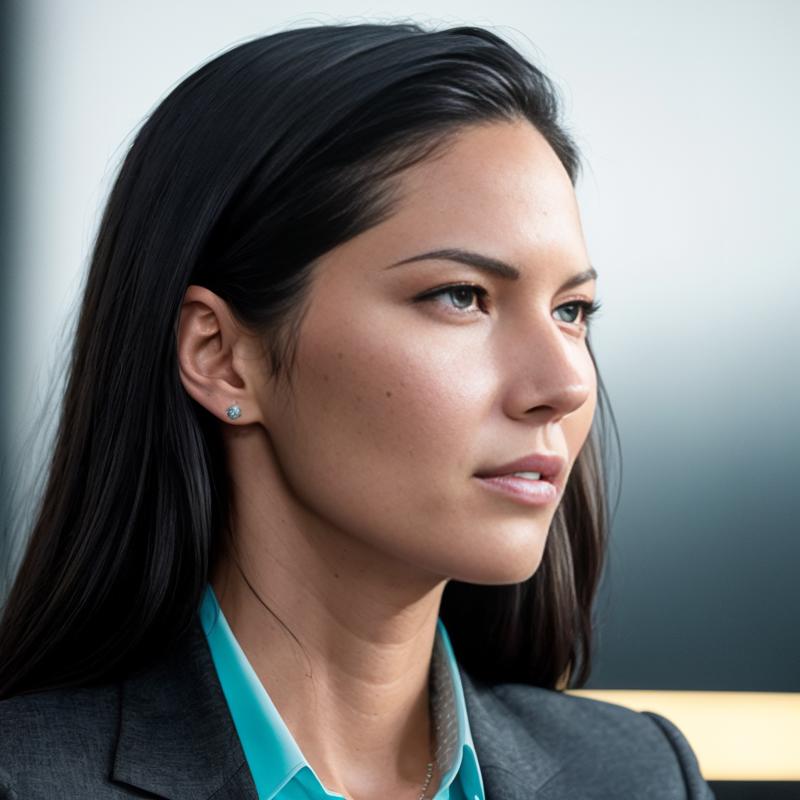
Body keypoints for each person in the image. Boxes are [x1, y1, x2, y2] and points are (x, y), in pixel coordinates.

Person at [0, 21, 714, 800]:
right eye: (461, 297)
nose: (566, 384)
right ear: (220, 354)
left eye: (573, 310)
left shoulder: (639, 776)